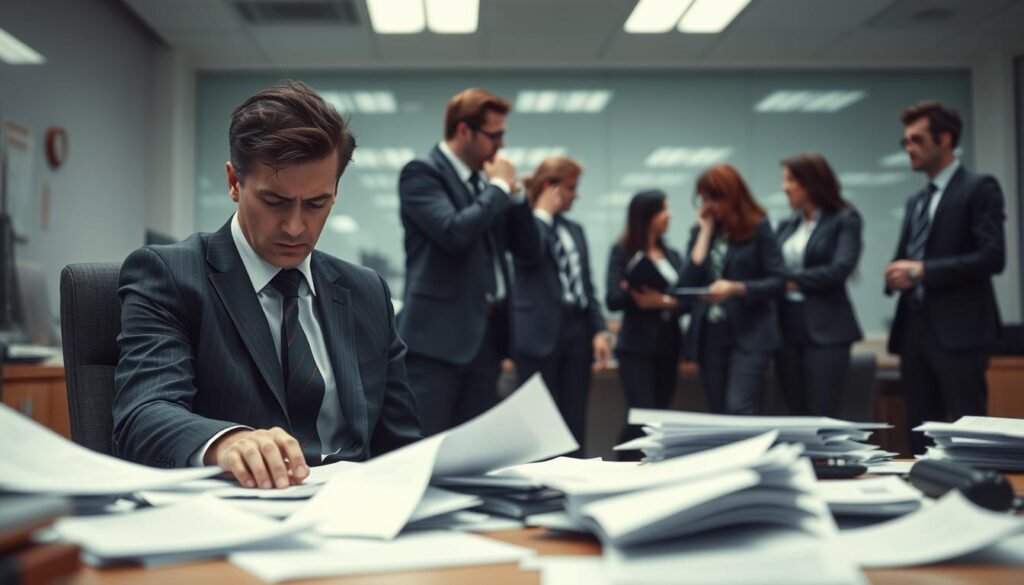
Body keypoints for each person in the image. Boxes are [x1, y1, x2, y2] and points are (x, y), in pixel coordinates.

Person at [112, 81, 421, 489]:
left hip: (358, 512)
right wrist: (227, 442)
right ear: (234, 183)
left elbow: (403, 445)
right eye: (274, 201)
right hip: (237, 515)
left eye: (316, 204)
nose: (296, 227)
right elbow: (143, 415)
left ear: (335, 192)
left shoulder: (367, 292)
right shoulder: (170, 275)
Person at [398, 88, 541, 436]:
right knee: (427, 449)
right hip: (436, 344)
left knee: (475, 454)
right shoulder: (422, 173)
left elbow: (530, 251)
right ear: (464, 131)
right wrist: (497, 188)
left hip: (485, 343)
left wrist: (516, 195)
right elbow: (453, 232)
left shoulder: (487, 186)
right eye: (494, 135)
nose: (501, 145)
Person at [885, 101, 1005, 455]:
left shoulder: (979, 188)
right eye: (905, 141)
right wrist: (896, 275)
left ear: (946, 139)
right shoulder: (916, 201)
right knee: (919, 429)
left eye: (917, 140)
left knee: (968, 430)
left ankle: (977, 501)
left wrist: (924, 271)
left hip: (960, 330)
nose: (909, 148)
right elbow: (908, 255)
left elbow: (993, 257)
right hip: (914, 329)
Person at [512, 156, 611, 455]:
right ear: (549, 186)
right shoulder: (522, 223)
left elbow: (586, 285)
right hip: (536, 334)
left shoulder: (576, 230)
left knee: (574, 421)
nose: (575, 195)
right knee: (540, 427)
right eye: (570, 188)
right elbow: (528, 254)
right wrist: (541, 214)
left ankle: (574, 490)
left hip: (577, 331)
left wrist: (600, 330)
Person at [680, 164, 785, 415]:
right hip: (710, 335)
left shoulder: (758, 228)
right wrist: (704, 234)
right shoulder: (701, 231)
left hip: (749, 335)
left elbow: (778, 281)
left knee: (737, 407)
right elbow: (686, 282)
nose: (708, 206)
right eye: (703, 199)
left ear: (732, 195)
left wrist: (736, 288)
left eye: (714, 198)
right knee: (717, 411)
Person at [774, 153, 863, 416]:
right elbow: (772, 270)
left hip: (827, 328)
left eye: (790, 180)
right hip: (787, 327)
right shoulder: (787, 226)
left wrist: (792, 281)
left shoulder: (844, 219)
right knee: (794, 410)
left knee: (821, 409)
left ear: (810, 182)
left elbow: (839, 270)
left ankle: (821, 460)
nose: (784, 187)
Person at [606, 190, 684, 447]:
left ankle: (650, 470)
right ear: (647, 216)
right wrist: (637, 297)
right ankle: (625, 464)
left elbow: (686, 300)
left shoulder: (672, 256)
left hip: (669, 346)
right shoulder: (622, 252)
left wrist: (660, 301)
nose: (669, 216)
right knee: (643, 417)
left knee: (660, 417)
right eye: (663, 210)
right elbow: (613, 298)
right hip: (636, 348)